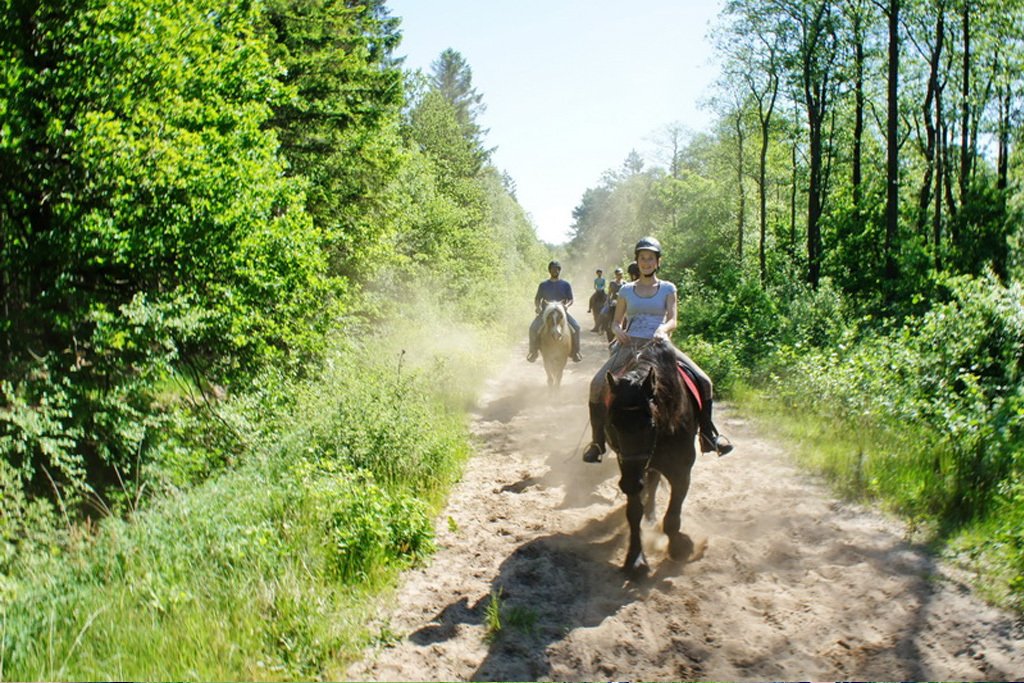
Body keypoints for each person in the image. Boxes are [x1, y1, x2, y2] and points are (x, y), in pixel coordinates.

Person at [581, 237, 733, 463]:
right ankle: (597, 443)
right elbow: (616, 321)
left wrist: (663, 329)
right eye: (642, 258)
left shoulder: (668, 288)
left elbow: (673, 320)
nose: (646, 262)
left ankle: (708, 435)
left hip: (661, 345)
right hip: (630, 345)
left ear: (658, 262)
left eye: (650, 258)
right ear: (637, 261)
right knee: (596, 384)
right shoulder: (625, 290)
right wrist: (618, 330)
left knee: (704, 381)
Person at [527, 260, 582, 363]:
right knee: (533, 328)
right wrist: (538, 306)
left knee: (576, 327)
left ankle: (576, 352)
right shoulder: (543, 285)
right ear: (549, 270)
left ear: (559, 270)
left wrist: (566, 306)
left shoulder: (566, 285)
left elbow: (570, 299)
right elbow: (537, 299)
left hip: (561, 314)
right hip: (545, 314)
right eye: (553, 269)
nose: (555, 271)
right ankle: (533, 352)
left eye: (557, 269)